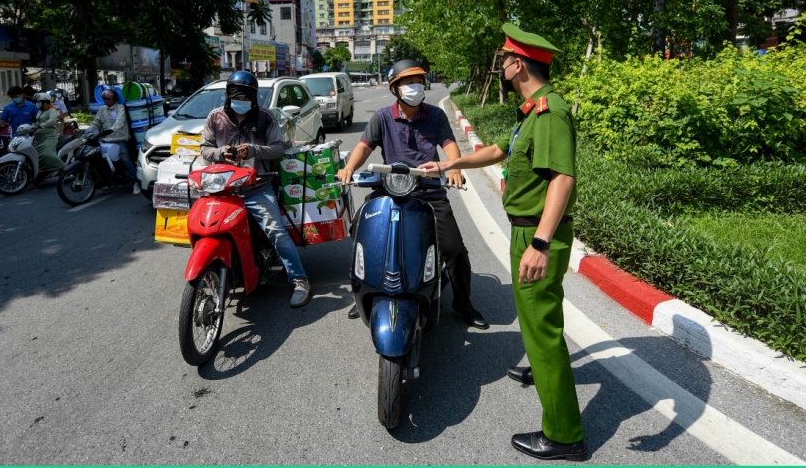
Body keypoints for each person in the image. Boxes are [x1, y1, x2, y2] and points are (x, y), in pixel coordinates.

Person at [418, 24, 586, 461]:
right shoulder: (530, 112)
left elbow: (562, 179)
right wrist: (449, 163)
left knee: (542, 328)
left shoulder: (550, 113)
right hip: (526, 229)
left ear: (519, 64)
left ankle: (565, 435)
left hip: (537, 234)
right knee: (536, 321)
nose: (502, 64)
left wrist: (542, 243)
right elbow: (498, 151)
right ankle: (541, 367)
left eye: (506, 58)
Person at [337, 59, 489, 330]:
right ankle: (365, 289)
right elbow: (363, 147)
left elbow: (450, 146)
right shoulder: (382, 117)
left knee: (454, 249)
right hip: (389, 190)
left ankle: (463, 300)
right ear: (395, 88)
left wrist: (452, 169)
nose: (414, 87)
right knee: (360, 231)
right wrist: (349, 167)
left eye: (418, 81)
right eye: (408, 82)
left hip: (428, 192)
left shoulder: (436, 116)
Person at [200, 71, 312, 308]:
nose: (241, 101)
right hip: (224, 190)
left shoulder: (265, 118)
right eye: (237, 96)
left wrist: (253, 150)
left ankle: (300, 280)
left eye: (246, 96)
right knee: (207, 229)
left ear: (253, 97)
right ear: (229, 95)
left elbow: (279, 148)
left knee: (277, 233)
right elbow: (205, 149)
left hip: (257, 188)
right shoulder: (215, 118)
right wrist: (221, 153)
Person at [92, 89, 140, 195]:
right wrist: (89, 131)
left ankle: (135, 183)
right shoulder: (102, 109)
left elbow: (119, 122)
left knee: (125, 158)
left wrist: (110, 130)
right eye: (104, 98)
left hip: (120, 139)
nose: (106, 100)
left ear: (115, 99)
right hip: (105, 139)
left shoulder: (120, 108)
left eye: (109, 99)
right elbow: (96, 122)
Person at [32, 93, 66, 178]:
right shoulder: (40, 111)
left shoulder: (51, 110)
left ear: (45, 102)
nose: (38, 103)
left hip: (49, 136)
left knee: (48, 155)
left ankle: (64, 168)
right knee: (35, 155)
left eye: (39, 101)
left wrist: (41, 125)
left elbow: (52, 120)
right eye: (37, 102)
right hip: (39, 138)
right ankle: (44, 172)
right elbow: (36, 122)